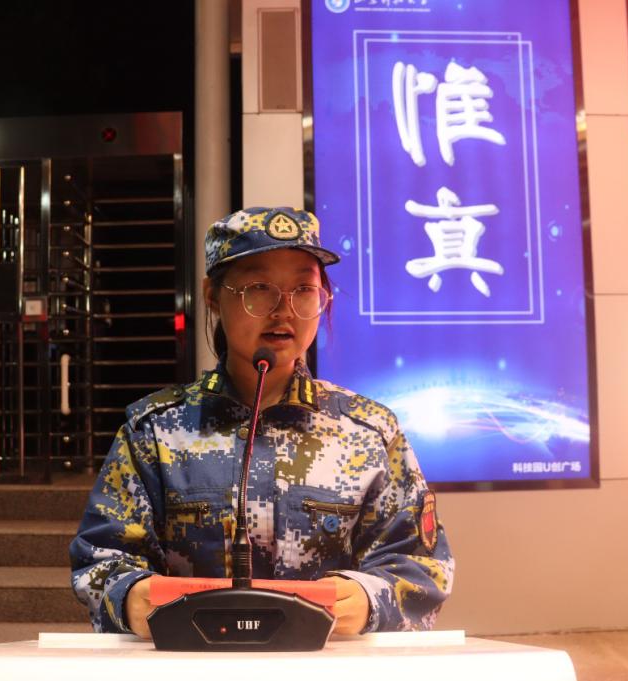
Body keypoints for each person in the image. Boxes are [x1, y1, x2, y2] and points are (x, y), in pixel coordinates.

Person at [70, 206, 454, 638]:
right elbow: (101, 558)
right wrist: (128, 596)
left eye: (303, 289)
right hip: (194, 662)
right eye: (258, 288)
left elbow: (421, 564)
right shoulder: (155, 431)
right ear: (212, 296)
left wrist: (370, 600)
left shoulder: (369, 432)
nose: (283, 309)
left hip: (328, 664)